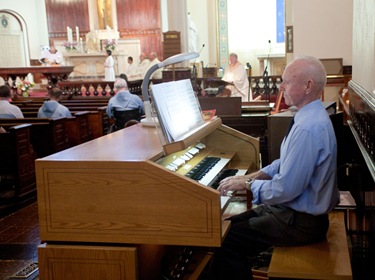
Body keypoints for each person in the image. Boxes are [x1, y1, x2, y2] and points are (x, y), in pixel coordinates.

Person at [210, 56, 340, 280]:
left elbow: (285, 189)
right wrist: (258, 174)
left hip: (301, 223)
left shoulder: (308, 127)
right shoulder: (310, 117)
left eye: (287, 82)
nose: (281, 87)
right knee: (227, 226)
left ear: (308, 86)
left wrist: (249, 183)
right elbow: (287, 162)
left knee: (227, 242)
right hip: (293, 213)